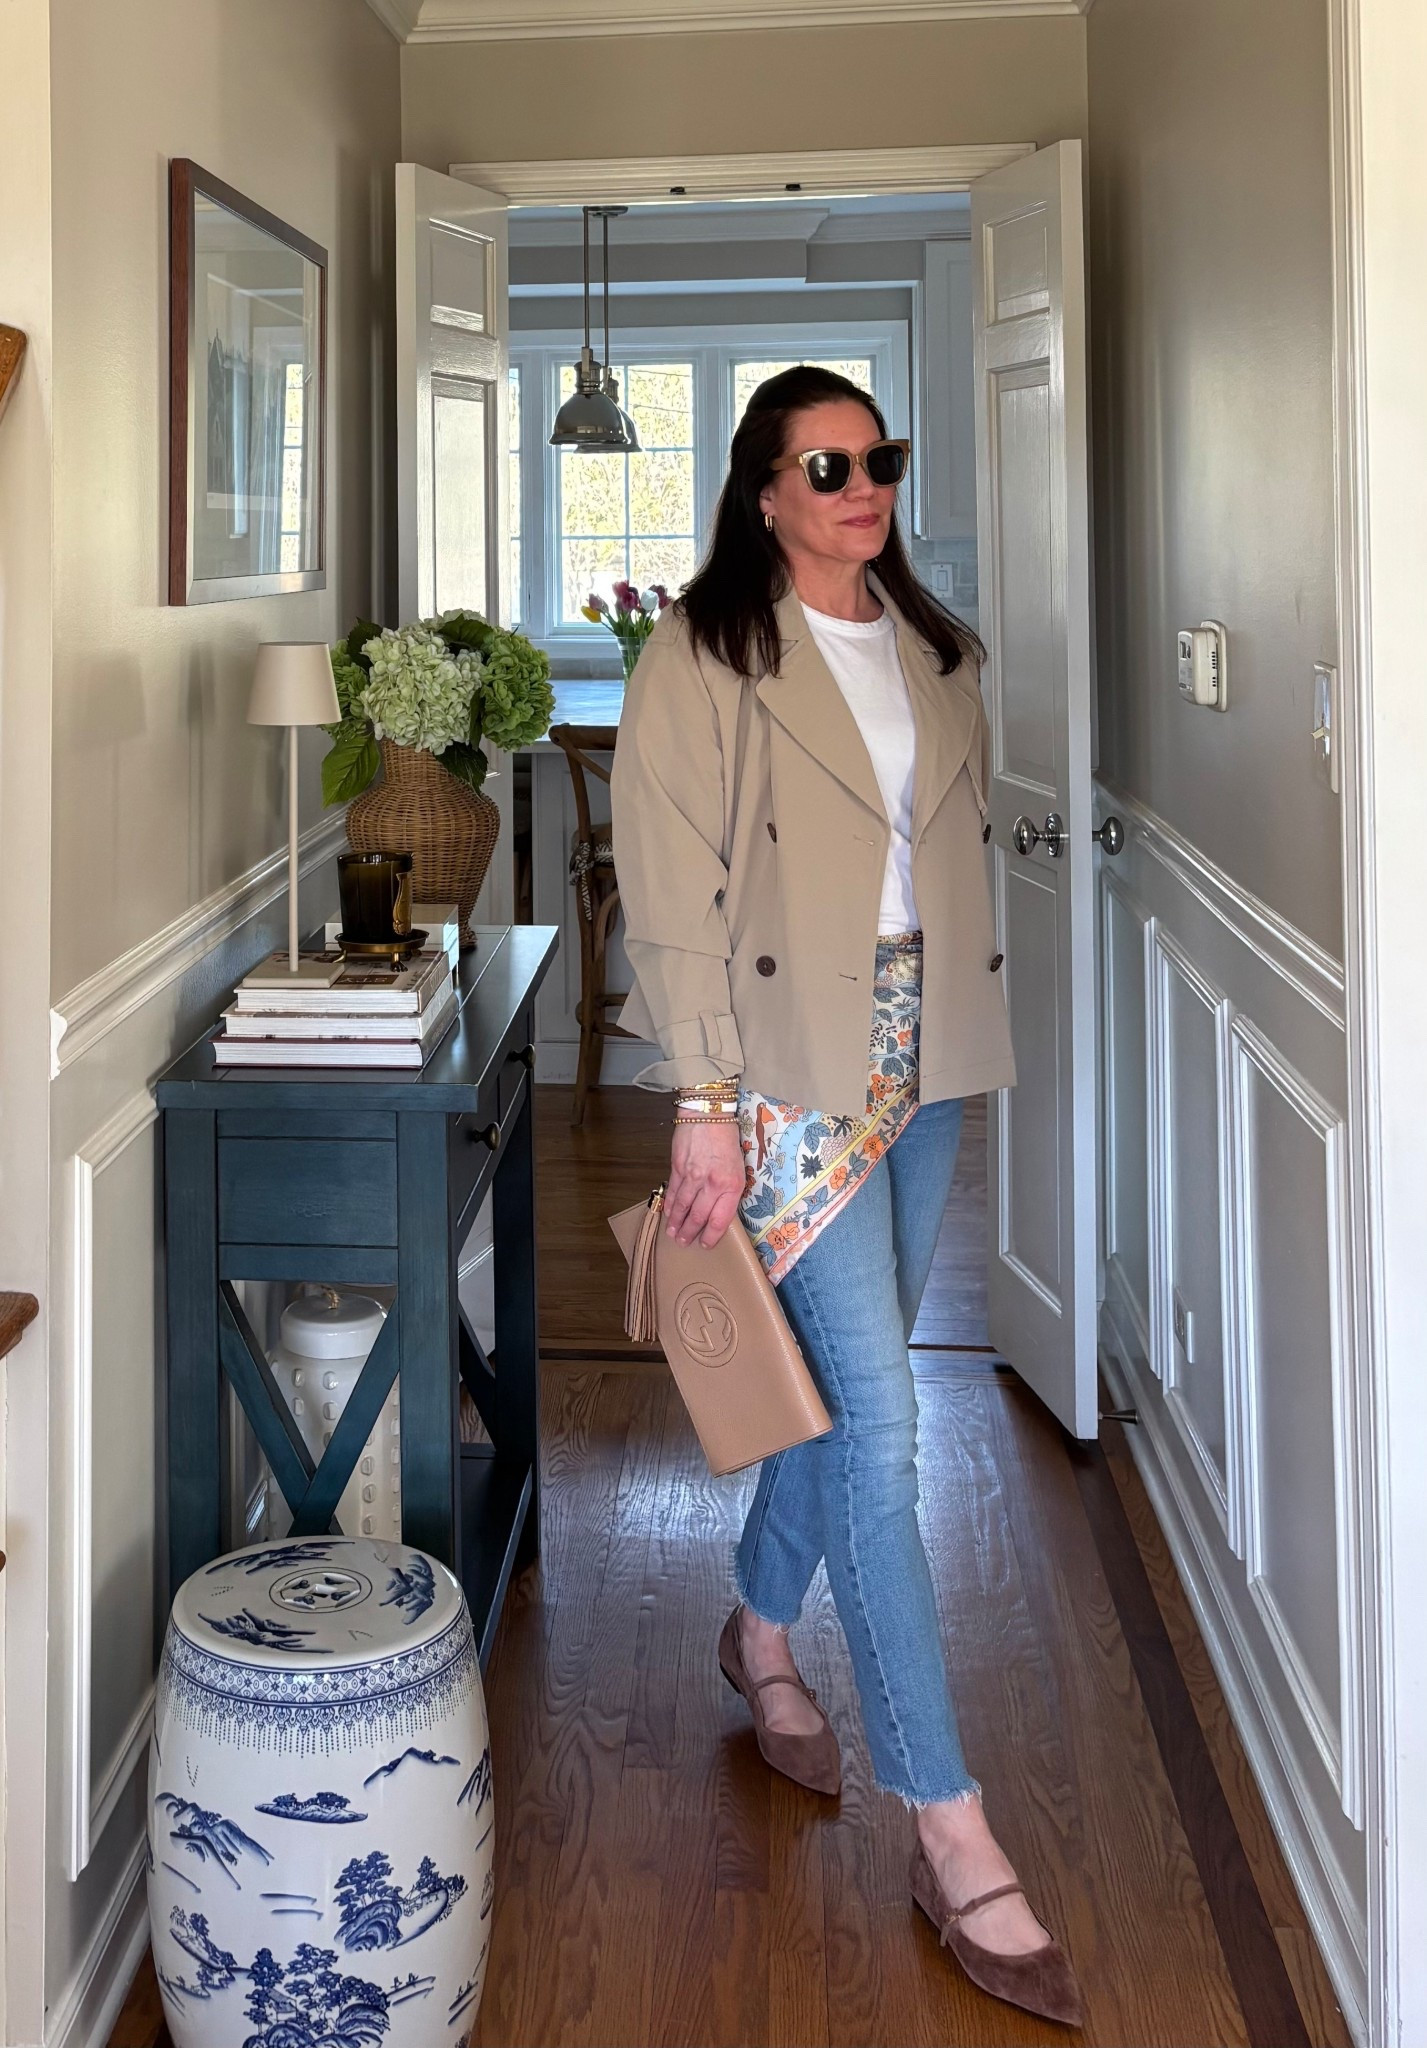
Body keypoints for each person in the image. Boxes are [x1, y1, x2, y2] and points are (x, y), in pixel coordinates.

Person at [609, 366, 1082, 2028]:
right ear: (762, 487)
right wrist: (705, 1102)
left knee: (833, 1409)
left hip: (928, 1048)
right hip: (790, 1068)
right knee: (882, 1430)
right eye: (827, 463)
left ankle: (759, 1627)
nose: (859, 483)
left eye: (878, 458)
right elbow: (669, 886)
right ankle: (948, 1825)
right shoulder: (707, 651)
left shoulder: (932, 645)